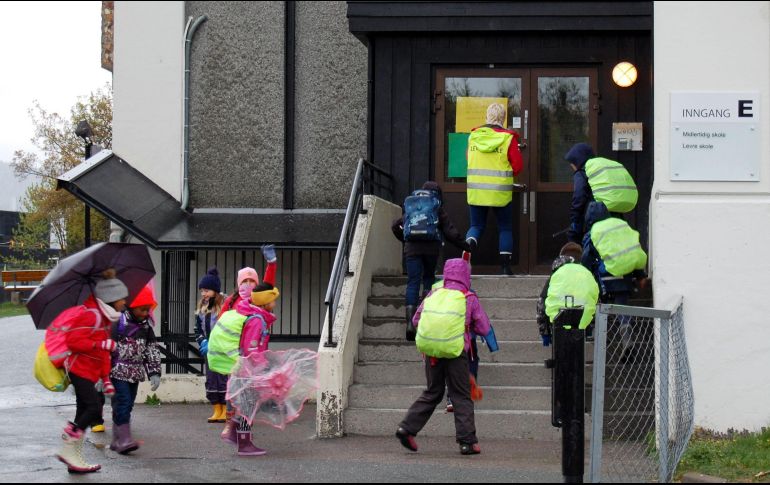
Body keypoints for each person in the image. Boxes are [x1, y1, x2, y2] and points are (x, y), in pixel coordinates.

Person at [395, 258, 491, 455]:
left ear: (446, 274)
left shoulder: (434, 292)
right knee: (460, 394)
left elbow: (416, 319)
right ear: (466, 275)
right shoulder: (468, 297)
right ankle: (467, 442)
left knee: (433, 391)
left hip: (432, 351)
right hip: (456, 352)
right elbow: (484, 328)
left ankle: (406, 428)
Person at [55, 271, 128, 474]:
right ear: (112, 299)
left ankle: (73, 460)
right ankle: (68, 447)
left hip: (90, 371)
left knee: (83, 410)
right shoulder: (90, 314)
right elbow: (73, 341)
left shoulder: (104, 317)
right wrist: (101, 343)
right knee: (93, 408)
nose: (125, 302)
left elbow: (103, 355)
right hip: (79, 369)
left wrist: (106, 378)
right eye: (122, 298)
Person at [208, 282, 280, 456]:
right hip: (248, 369)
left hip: (246, 368)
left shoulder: (256, 316)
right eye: (273, 300)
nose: (275, 304)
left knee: (248, 405)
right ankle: (244, 443)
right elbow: (251, 347)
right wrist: (258, 366)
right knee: (249, 407)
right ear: (265, 302)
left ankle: (234, 433)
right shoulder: (257, 320)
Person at [392, 181, 470, 340]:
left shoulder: (412, 205)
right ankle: (422, 320)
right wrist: (466, 246)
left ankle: (409, 324)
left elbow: (395, 226)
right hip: (431, 249)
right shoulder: (436, 206)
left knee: (413, 282)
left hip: (412, 249)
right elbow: (450, 232)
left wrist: (406, 240)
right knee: (428, 279)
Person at [581, 201, 648, 352]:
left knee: (596, 301)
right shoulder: (622, 225)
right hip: (625, 276)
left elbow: (587, 257)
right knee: (621, 303)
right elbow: (632, 250)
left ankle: (597, 332)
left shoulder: (593, 232)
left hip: (605, 278)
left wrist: (584, 273)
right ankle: (625, 327)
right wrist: (640, 275)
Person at [465, 102, 523, 275]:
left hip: (477, 190)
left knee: (476, 226)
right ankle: (505, 268)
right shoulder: (508, 138)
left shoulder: (473, 136)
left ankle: (468, 251)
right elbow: (518, 166)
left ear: (486, 116)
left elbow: (468, 159)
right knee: (505, 228)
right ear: (503, 118)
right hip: (500, 192)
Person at [109, 283, 162, 454]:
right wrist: (101, 375)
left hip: (135, 372)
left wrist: (154, 372)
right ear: (132, 307)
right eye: (142, 310)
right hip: (118, 371)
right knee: (123, 402)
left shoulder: (146, 327)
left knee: (128, 404)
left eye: (148, 310)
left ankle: (118, 438)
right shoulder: (119, 322)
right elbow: (107, 348)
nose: (146, 313)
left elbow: (151, 349)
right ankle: (124, 439)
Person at [536, 243, 600, 347]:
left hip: (558, 322)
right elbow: (596, 300)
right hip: (582, 323)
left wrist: (544, 332)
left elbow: (541, 303)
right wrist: (590, 326)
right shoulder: (587, 274)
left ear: (561, 257)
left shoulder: (557, 274)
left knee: (560, 357)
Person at [194, 267, 227, 423]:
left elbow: (227, 327)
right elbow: (197, 328)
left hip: (223, 349)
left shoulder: (224, 306)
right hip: (209, 350)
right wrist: (203, 341)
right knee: (211, 378)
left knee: (223, 378)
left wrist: (217, 342)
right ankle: (216, 408)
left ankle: (226, 409)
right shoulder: (202, 308)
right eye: (202, 291)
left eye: (206, 290)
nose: (203, 294)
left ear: (215, 290)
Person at [219, 245, 277, 317]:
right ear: (239, 284)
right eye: (245, 281)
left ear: (256, 283)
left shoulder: (259, 298)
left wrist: (271, 264)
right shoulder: (231, 300)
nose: (248, 283)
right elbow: (221, 319)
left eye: (252, 281)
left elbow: (268, 284)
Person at [564, 143, 596, 244]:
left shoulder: (581, 173)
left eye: (572, 163)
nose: (572, 167)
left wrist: (574, 219)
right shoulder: (596, 171)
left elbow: (579, 196)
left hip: (589, 215)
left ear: (578, 160)